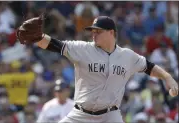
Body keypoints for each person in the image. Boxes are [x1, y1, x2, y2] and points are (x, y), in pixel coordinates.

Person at [18, 16, 178, 123]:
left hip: (110, 115)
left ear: (111, 33)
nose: (93, 35)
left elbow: (149, 67)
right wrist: (38, 37)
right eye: (92, 32)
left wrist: (167, 77)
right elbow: (54, 44)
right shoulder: (83, 49)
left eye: (98, 32)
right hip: (81, 114)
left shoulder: (127, 56)